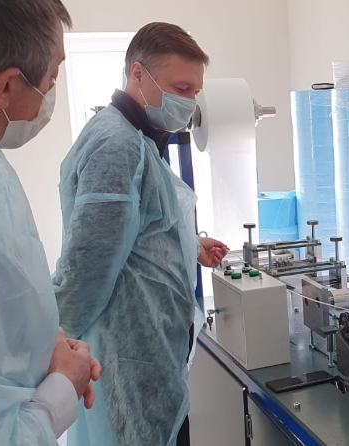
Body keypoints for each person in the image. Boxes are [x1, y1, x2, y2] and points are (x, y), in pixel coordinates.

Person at [52, 22, 228, 446]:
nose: (189, 103)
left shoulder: (137, 137)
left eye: (194, 92)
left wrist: (189, 244)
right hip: (128, 358)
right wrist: (57, 342)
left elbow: (139, 228)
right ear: (137, 74)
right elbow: (88, 265)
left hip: (147, 350)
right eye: (181, 89)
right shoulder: (118, 146)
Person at [0, 1, 101, 445]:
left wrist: (46, 345)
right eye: (52, 76)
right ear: (5, 86)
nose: (52, 89)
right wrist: (61, 390)